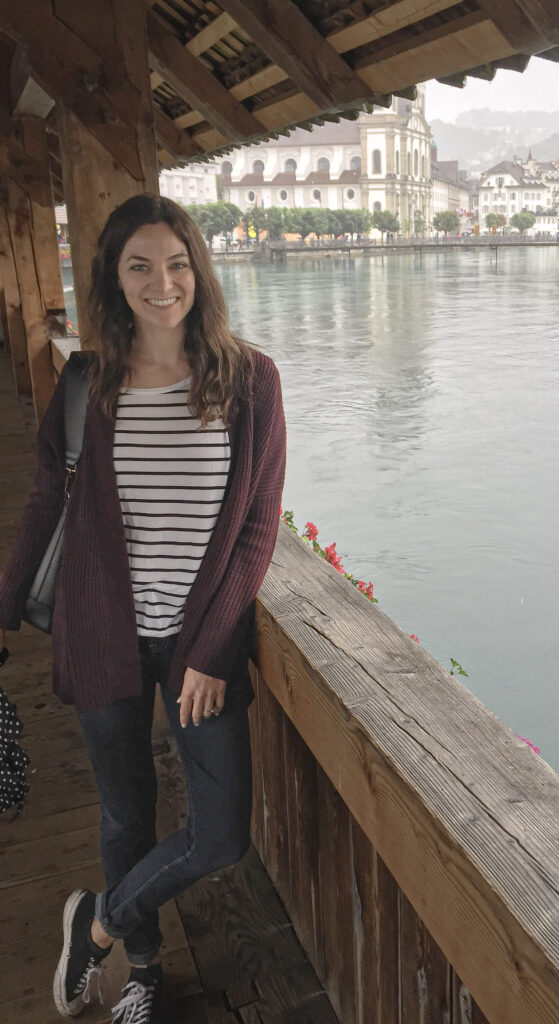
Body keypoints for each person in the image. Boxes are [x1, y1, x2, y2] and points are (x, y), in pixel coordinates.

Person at [0, 194, 286, 1022]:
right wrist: (5, 602)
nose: (162, 283)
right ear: (113, 280)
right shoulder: (88, 383)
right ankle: (143, 971)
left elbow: (259, 525)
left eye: (176, 263)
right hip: (103, 637)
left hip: (199, 648)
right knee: (125, 812)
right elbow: (46, 501)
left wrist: (211, 649)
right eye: (139, 266)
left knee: (220, 832)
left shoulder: (248, 379)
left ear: (198, 270)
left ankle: (98, 925)